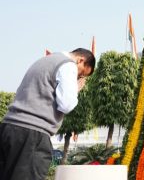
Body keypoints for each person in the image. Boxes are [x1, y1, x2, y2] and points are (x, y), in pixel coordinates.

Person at [0, 48, 95, 180]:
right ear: (80, 60)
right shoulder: (68, 65)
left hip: (9, 127)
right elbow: (66, 104)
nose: (79, 78)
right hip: (32, 133)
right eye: (81, 74)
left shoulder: (44, 61)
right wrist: (75, 88)